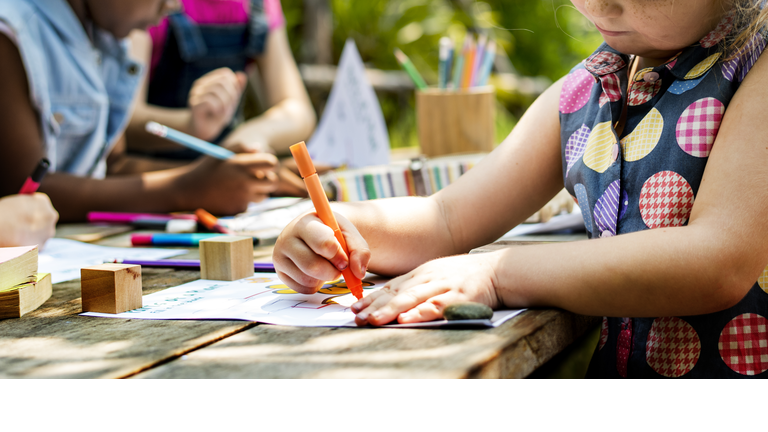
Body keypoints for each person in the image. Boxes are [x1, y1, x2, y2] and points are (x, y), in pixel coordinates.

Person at [273, 0, 768, 378]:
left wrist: (497, 273)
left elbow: (718, 258)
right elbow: (448, 218)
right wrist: (343, 226)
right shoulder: (585, 90)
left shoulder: (757, 70)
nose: (598, 5)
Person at [0, 0, 280, 222]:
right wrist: (185, 189)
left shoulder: (103, 35)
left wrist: (224, 179)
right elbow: (25, 188)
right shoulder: (12, 30)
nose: (174, 5)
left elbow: (112, 165)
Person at [126, 0, 316, 158]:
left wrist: (251, 136)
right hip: (156, 174)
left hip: (226, 171)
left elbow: (299, 112)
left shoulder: (260, 5)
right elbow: (124, 118)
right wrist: (190, 125)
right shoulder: (153, 6)